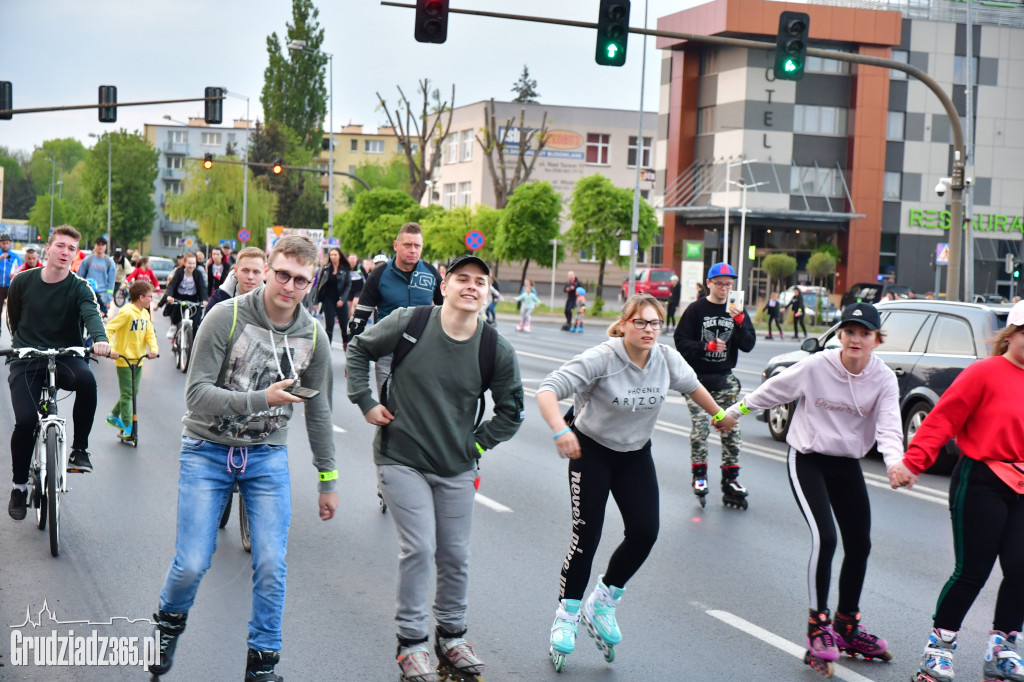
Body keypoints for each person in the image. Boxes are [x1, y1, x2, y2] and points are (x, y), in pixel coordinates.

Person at [149, 235, 337, 681]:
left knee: (272, 561)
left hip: (266, 457)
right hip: (206, 449)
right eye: (283, 274)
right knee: (192, 561)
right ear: (266, 270)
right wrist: (261, 399)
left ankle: (263, 662)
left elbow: (320, 409)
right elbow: (196, 395)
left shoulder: (313, 335)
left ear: (311, 284)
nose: (289, 286)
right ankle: (168, 624)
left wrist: (327, 477)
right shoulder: (224, 316)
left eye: (301, 280)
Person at [346, 254, 523, 682]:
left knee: (456, 554)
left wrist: (476, 441)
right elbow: (359, 349)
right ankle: (411, 644)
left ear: (487, 293)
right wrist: (366, 401)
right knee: (421, 548)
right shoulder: (413, 322)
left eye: (480, 282)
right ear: (444, 285)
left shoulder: (493, 347)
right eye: (462, 278)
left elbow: (512, 411)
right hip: (400, 458)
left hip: (456, 466)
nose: (471, 286)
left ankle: (451, 636)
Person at [536, 293, 737, 670]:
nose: (648, 330)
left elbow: (693, 387)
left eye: (654, 323)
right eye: (640, 322)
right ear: (625, 323)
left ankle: (603, 602)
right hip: (590, 451)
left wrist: (719, 415)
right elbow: (547, 389)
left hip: (634, 455)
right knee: (587, 535)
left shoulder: (665, 358)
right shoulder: (603, 357)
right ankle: (566, 616)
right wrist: (559, 430)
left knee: (645, 532)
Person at [721, 302, 898, 675]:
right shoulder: (818, 366)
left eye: (864, 334)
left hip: (846, 463)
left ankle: (847, 625)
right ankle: (819, 626)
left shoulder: (883, 379)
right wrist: (731, 413)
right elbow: (772, 391)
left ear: (876, 341)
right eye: (849, 331)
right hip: (807, 458)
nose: (856, 339)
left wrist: (895, 462)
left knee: (860, 543)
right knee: (826, 539)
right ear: (839, 335)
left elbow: (889, 428)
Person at [889, 299, 1024, 682]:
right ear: (1011, 333)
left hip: (1022, 486)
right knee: (973, 571)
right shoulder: (984, 373)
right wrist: (912, 462)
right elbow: (942, 418)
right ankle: (938, 649)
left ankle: (1001, 651)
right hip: (980, 481)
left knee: (1021, 567)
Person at [7, 226, 112, 520]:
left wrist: (100, 339)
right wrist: (21, 346)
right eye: (61, 246)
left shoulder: (80, 287)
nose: (66, 253)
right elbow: (14, 317)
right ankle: (18, 487)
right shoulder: (23, 281)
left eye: (72, 249)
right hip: (27, 359)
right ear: (48, 249)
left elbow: (90, 314)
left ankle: (80, 450)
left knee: (87, 381)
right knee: (26, 420)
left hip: (67, 355)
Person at [673, 262, 756, 507]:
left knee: (732, 426)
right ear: (709, 283)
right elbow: (681, 342)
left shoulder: (737, 310)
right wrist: (704, 347)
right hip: (696, 380)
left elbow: (749, 345)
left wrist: (740, 323)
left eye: (728, 284)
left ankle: (731, 479)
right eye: (719, 283)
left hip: (725, 379)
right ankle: (699, 476)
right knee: (700, 428)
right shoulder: (696, 310)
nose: (723, 288)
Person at [348, 222, 443, 392]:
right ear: (396, 245)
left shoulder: (431, 273)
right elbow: (359, 319)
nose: (413, 250)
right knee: (389, 412)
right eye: (407, 245)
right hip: (387, 355)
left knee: (419, 412)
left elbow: (447, 314)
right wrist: (353, 360)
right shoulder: (378, 274)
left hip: (423, 355)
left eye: (417, 245)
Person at [103, 281, 158, 438]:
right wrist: (112, 349)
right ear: (141, 297)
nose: (151, 299)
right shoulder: (127, 312)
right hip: (124, 360)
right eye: (150, 296)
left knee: (133, 392)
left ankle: (113, 416)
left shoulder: (145, 313)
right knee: (128, 394)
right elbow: (109, 329)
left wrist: (153, 349)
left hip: (139, 359)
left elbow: (149, 334)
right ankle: (128, 426)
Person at [205, 246, 266, 313]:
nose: (250, 277)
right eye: (245, 271)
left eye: (256, 272)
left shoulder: (269, 301)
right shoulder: (219, 298)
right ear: (236, 271)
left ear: (264, 273)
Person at [163, 253, 208, 340]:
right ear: (184, 263)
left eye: (193, 263)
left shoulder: (198, 274)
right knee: (176, 309)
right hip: (180, 297)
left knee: (195, 321)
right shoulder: (179, 272)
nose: (191, 266)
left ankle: (193, 342)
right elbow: (172, 285)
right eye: (189, 263)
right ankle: (173, 326)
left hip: (193, 298)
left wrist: (204, 299)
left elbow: (202, 287)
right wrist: (169, 296)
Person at [314, 247, 352, 347]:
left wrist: (343, 300)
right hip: (328, 300)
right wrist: (315, 301)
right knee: (329, 326)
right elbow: (319, 285)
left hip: (341, 300)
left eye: (335, 255)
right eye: (331, 255)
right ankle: (327, 349)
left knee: (344, 327)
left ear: (339, 256)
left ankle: (346, 347)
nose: (333, 257)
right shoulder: (325, 269)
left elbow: (348, 285)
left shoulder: (345, 269)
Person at [78, 236, 117, 318]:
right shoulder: (87, 260)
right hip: (87, 294)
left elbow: (111, 283)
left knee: (97, 322)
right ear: (95, 246)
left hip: (102, 296)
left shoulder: (110, 262)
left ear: (106, 247)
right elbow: (79, 277)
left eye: (103, 245)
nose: (100, 246)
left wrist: (108, 300)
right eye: (98, 244)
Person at [0, 233, 23, 342]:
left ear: (10, 244)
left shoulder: (15, 256)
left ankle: (14, 338)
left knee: (12, 313)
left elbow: (21, 271)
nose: (5, 245)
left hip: (11, 287)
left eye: (7, 243)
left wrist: (14, 275)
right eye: (3, 243)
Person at [347, 253, 366, 319]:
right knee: (348, 306)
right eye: (351, 259)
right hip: (349, 289)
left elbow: (366, 277)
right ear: (348, 259)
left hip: (359, 289)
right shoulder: (346, 267)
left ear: (356, 259)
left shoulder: (359, 267)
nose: (352, 260)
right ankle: (350, 319)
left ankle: (355, 318)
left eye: (353, 258)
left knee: (355, 303)